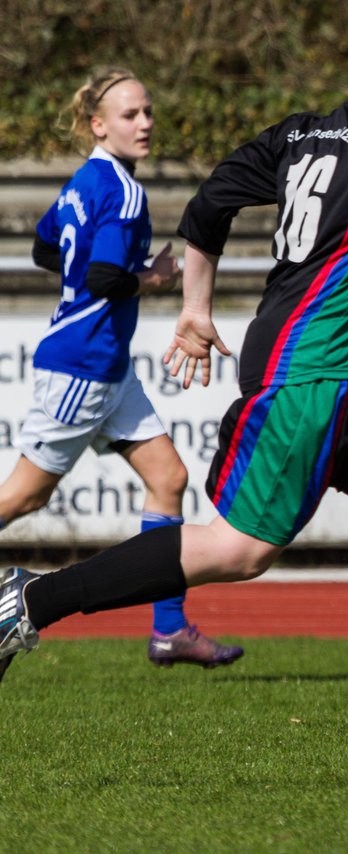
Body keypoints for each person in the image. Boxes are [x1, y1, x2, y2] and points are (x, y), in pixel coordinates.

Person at [0, 9, 348, 772]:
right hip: (313, 369)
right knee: (238, 551)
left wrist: (196, 309)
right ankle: (27, 602)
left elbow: (207, 208)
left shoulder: (307, 130)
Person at [0, 68, 243, 668]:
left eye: (149, 112)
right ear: (98, 123)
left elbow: (41, 247)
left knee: (169, 479)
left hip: (106, 369)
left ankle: (169, 630)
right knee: (22, 499)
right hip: (84, 365)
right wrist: (155, 278)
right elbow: (106, 277)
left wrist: (87, 277)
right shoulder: (124, 191)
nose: (146, 123)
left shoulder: (86, 180)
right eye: (131, 115)